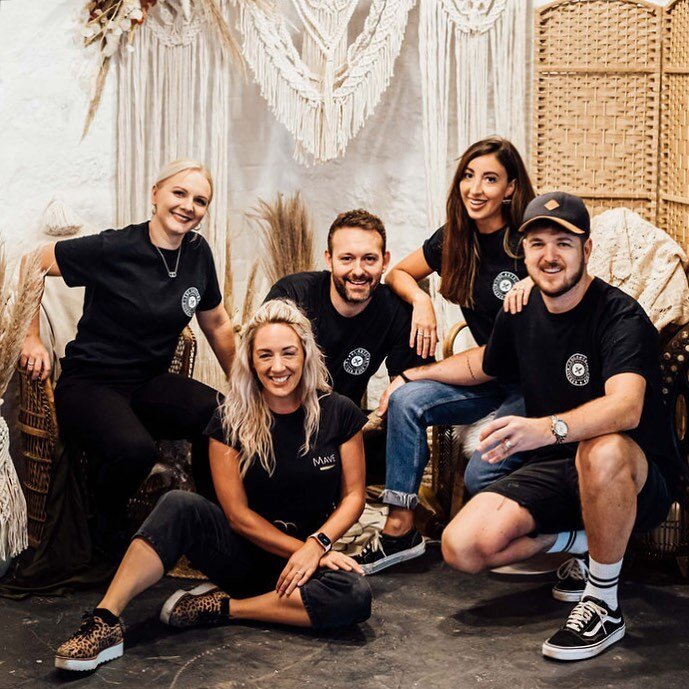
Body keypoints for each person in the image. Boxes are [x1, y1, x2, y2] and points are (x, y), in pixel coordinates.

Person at [394, 191, 682, 660]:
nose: (550, 257)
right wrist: (413, 375)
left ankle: (604, 603)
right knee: (460, 547)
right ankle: (587, 542)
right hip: (559, 471)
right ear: (523, 253)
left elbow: (626, 408)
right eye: (537, 244)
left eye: (564, 244)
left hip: (633, 477)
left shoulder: (620, 315)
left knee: (602, 448)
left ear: (587, 251)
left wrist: (542, 429)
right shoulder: (521, 308)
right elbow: (483, 365)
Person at [53, 299, 372, 672]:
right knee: (178, 504)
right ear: (251, 362)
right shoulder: (229, 419)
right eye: (265, 355)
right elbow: (237, 516)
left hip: (306, 560)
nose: (278, 366)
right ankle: (104, 622)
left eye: (288, 353)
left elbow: (354, 496)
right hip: (244, 555)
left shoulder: (339, 412)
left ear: (305, 354)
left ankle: (221, 608)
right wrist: (301, 550)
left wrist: (317, 546)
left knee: (355, 595)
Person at [19, 159, 235, 554]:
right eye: (179, 193)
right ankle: (105, 528)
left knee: (223, 417)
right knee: (135, 451)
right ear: (155, 195)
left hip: (148, 381)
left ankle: (209, 523)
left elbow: (217, 322)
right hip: (91, 382)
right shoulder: (114, 247)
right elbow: (33, 263)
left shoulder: (197, 253)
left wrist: (244, 385)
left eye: (200, 200)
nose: (188, 205)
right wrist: (30, 337)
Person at [356, 137, 535, 573]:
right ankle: (400, 529)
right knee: (404, 400)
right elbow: (396, 272)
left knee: (479, 476)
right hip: (487, 377)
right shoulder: (456, 238)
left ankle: (552, 535)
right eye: (468, 177)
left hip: (535, 385)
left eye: (490, 179)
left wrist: (537, 279)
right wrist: (421, 302)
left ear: (510, 189)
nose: (475, 189)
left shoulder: (528, 241)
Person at [265, 209, 426, 482]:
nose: (358, 271)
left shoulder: (395, 310)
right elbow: (266, 370)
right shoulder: (292, 294)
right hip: (285, 419)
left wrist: (381, 412)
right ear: (329, 259)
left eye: (369, 259)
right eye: (347, 259)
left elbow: (409, 387)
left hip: (342, 426)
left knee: (408, 444)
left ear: (385, 261)